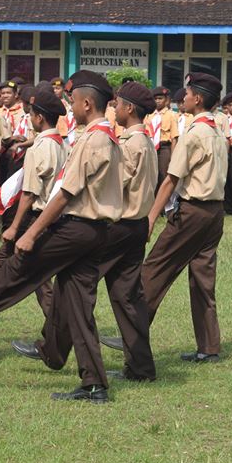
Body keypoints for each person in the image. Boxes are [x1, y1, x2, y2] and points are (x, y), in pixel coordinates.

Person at [0, 70, 123, 403]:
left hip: (77, 227)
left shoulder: (93, 138)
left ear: (87, 103)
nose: (70, 108)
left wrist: (31, 232)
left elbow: (64, 194)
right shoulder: (106, 137)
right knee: (78, 307)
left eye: (73, 101)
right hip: (96, 230)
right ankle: (94, 385)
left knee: (18, 272)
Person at [27, 82, 157, 383]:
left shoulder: (130, 145)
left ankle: (52, 350)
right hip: (136, 226)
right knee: (127, 298)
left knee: (72, 286)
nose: (114, 110)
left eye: (118, 105)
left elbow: (111, 184)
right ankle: (140, 367)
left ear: (130, 109)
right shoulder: (146, 143)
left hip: (119, 226)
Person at [140, 72, 227, 364]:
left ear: (198, 98)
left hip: (193, 211)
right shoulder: (216, 131)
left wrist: (151, 217)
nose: (183, 98)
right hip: (215, 212)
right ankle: (209, 347)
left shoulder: (194, 132)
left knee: (154, 269)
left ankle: (133, 333)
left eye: (187, 94)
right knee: (202, 279)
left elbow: (170, 180)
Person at [0, 90, 67, 318]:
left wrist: (14, 227)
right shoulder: (59, 144)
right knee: (24, 272)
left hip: (33, 217)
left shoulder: (40, 147)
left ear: (39, 118)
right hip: (44, 217)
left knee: (25, 274)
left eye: (31, 115)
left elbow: (29, 192)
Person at [146, 86, 179, 191]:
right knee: (152, 174)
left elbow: (174, 138)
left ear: (167, 100)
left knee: (163, 174)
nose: (158, 101)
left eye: (160, 98)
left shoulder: (171, 115)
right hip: (151, 147)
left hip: (164, 148)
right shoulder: (149, 115)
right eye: (155, 99)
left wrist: (173, 157)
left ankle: (164, 203)